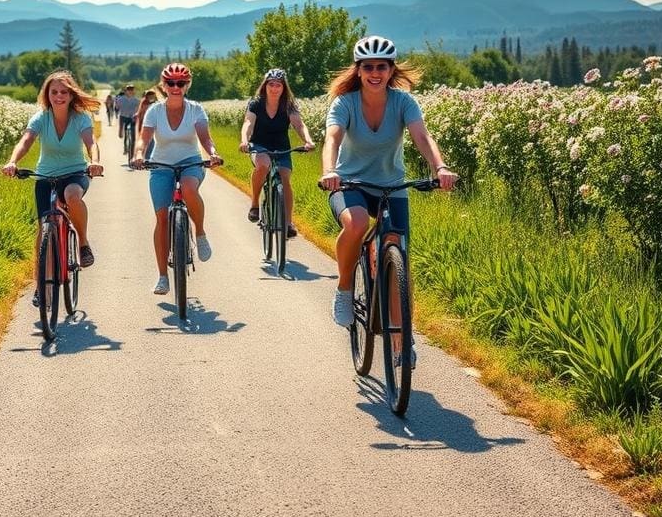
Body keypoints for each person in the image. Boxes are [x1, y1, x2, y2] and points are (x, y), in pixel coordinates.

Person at [318, 36, 458, 357]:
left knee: (399, 258)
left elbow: (422, 136)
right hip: (349, 184)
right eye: (368, 67)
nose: (375, 72)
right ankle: (343, 288)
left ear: (392, 69)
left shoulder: (404, 102)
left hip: (391, 187)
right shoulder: (345, 103)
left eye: (382, 66)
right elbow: (332, 139)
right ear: (359, 70)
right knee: (354, 224)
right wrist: (329, 171)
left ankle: (402, 341)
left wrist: (440, 167)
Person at [2, 71, 104, 302]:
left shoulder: (80, 118)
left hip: (75, 173)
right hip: (45, 176)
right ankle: (41, 285)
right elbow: (26, 141)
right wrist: (12, 162)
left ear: (71, 95)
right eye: (54, 92)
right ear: (47, 95)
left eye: (64, 92)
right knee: (43, 229)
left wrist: (95, 161)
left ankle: (84, 243)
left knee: (72, 195)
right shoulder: (41, 118)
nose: (59, 96)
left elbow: (91, 143)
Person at [132, 63, 223, 295]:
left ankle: (200, 232)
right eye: (170, 83)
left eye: (180, 83)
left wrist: (212, 153)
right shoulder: (154, 111)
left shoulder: (195, 109)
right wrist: (139, 154)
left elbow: (205, 138)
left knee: (189, 188)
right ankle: (163, 276)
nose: (175, 87)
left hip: (190, 162)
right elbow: (144, 138)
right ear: (163, 85)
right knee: (161, 218)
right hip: (161, 165)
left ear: (187, 85)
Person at [238, 68, 315, 238]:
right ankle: (255, 204)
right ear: (265, 86)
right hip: (259, 145)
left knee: (284, 177)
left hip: (281, 147)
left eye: (278, 85)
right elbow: (248, 123)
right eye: (271, 84)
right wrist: (244, 139)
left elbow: (299, 125)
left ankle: (288, 223)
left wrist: (307, 140)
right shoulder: (256, 103)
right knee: (263, 164)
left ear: (283, 87)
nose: (274, 88)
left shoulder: (288, 105)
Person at [136, 87, 159, 160]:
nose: (151, 97)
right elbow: (140, 113)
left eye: (152, 95)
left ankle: (149, 157)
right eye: (149, 95)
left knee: (153, 142)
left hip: (155, 125)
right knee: (148, 141)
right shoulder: (144, 102)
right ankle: (147, 157)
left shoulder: (157, 103)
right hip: (145, 124)